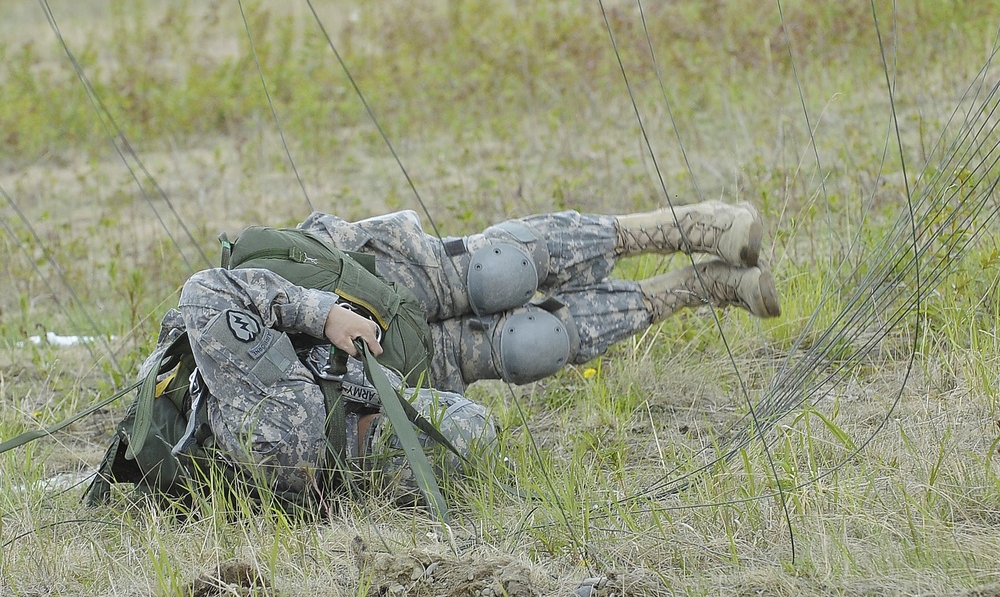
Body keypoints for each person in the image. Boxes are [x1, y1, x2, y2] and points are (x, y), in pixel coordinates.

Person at [152, 201, 780, 501]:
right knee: (530, 345)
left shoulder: (243, 389)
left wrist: (323, 315)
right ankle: (695, 288)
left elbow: (208, 288)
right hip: (393, 371)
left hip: (360, 287)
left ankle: (685, 227)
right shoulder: (290, 476)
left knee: (497, 273)